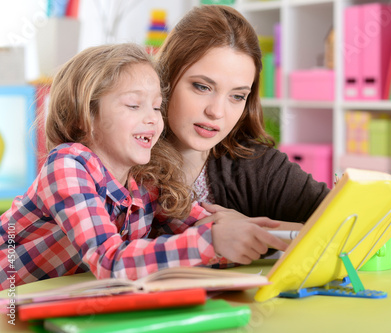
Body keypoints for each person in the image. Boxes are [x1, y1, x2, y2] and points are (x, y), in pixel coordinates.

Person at [0, 43, 287, 290]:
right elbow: (110, 262)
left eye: (157, 106)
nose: (152, 119)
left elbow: (201, 227)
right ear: (82, 117)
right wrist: (213, 240)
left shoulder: (146, 181)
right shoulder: (67, 165)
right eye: (134, 105)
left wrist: (260, 236)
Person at [155, 5, 391, 263]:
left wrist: (259, 230)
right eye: (202, 87)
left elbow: (381, 242)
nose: (217, 111)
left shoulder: (256, 167)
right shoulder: (124, 154)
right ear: (166, 78)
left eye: (237, 96)